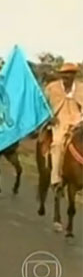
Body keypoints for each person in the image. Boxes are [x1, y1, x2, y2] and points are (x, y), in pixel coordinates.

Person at [44, 63, 83, 195]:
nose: (68, 76)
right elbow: (43, 105)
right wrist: (49, 117)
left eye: (71, 73)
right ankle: (56, 180)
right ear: (61, 75)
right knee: (58, 144)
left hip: (78, 120)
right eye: (65, 73)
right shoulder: (51, 88)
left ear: (74, 75)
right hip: (59, 121)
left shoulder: (81, 88)